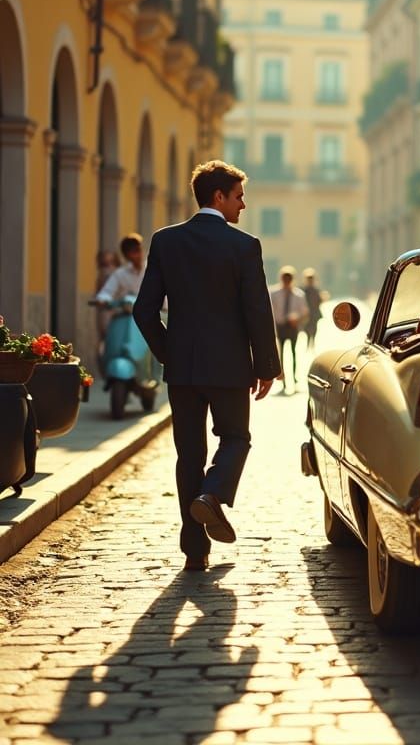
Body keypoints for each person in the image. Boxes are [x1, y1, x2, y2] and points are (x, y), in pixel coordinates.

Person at [133, 160, 281, 573]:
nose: (244, 205)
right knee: (236, 438)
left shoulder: (165, 241)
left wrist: (169, 353)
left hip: (182, 371)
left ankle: (194, 551)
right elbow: (256, 310)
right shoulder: (244, 245)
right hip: (231, 368)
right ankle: (212, 495)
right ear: (219, 196)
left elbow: (144, 310)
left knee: (188, 456)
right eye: (238, 196)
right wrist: (267, 364)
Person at [270, 266, 308, 394]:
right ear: (281, 279)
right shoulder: (274, 293)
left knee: (293, 353)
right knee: (280, 356)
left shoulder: (298, 295)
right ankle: (284, 381)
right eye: (284, 278)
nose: (286, 281)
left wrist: (297, 319)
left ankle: (294, 379)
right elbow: (269, 311)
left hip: (292, 327)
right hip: (279, 327)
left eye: (288, 278)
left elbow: (305, 313)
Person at [95, 234, 146, 304]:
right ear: (126, 255)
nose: (139, 254)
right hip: (128, 312)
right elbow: (106, 292)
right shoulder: (120, 274)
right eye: (134, 252)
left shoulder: (152, 269)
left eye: (139, 250)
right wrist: (102, 299)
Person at [93, 248, 119, 362]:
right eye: (104, 264)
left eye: (111, 263)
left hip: (120, 310)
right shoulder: (101, 276)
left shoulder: (120, 275)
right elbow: (100, 292)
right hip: (105, 310)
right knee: (105, 336)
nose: (108, 268)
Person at [301, 268, 327, 351]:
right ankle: (308, 342)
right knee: (307, 328)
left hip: (314, 313)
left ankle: (312, 342)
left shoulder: (316, 290)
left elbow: (320, 300)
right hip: (307, 313)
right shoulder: (303, 290)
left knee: (314, 328)